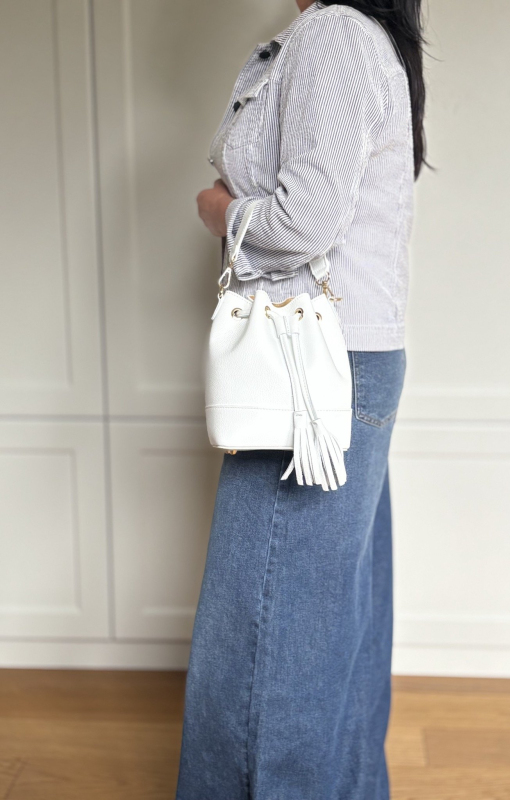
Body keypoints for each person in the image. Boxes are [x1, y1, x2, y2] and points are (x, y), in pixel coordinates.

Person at [176, 1, 426, 798]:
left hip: (311, 369)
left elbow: (304, 222)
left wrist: (219, 210)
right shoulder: (364, 36)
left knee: (262, 652)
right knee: (330, 639)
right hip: (345, 362)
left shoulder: (334, 33)